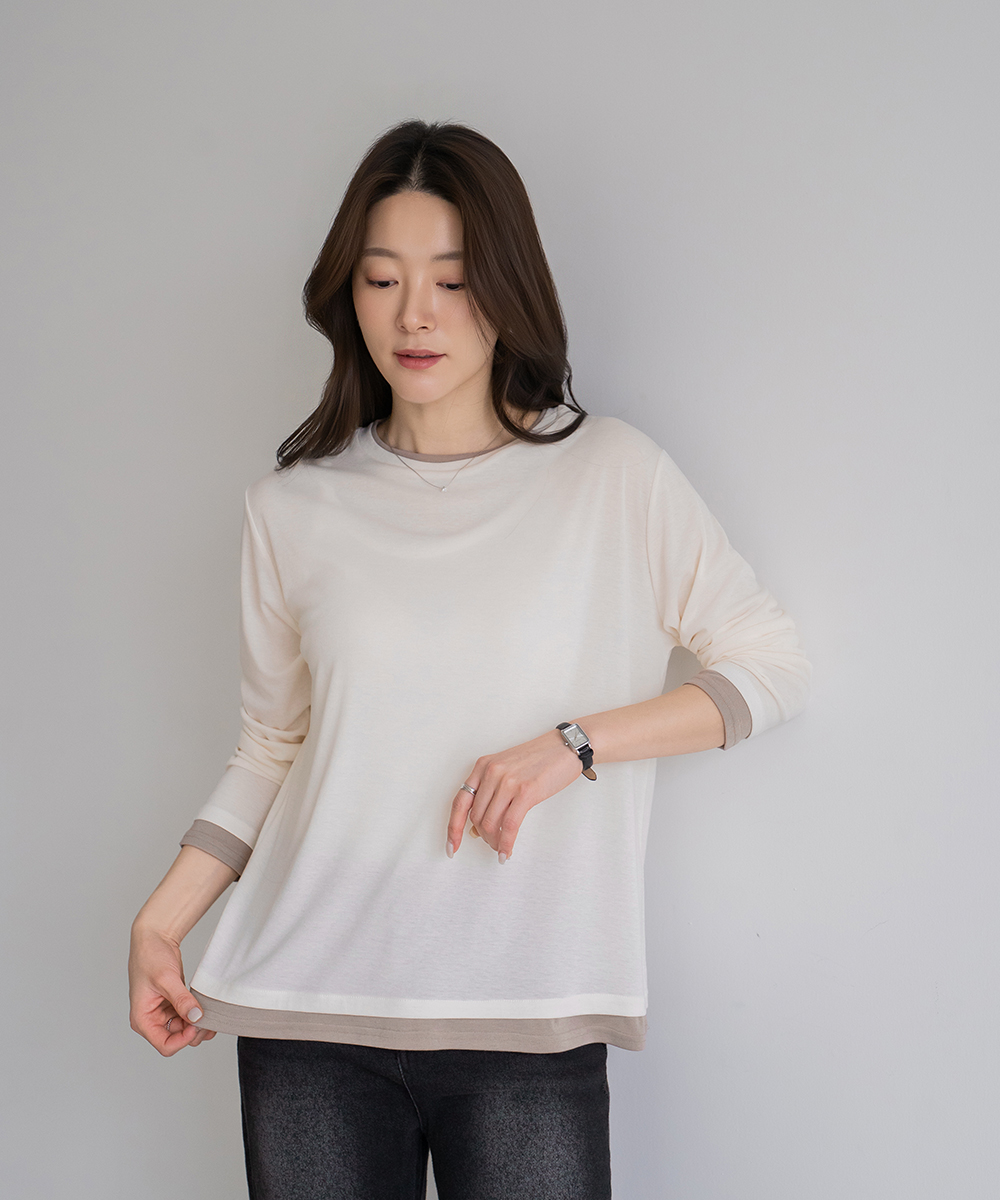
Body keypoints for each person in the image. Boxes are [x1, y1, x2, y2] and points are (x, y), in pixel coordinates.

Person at [128, 119, 810, 1200]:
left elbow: (769, 665)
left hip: (525, 1014)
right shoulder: (291, 509)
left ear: (507, 288)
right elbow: (272, 746)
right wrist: (162, 921)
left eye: (451, 279)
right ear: (347, 298)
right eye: (382, 279)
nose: (415, 314)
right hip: (306, 1013)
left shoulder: (612, 476)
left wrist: (573, 745)